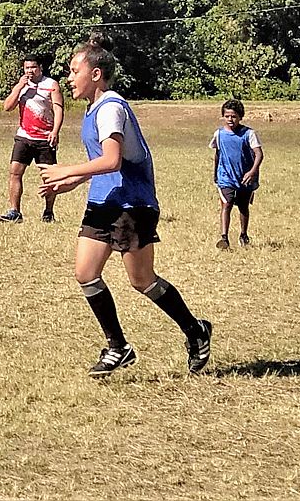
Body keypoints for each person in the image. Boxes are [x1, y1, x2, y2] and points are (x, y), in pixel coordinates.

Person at [40, 33, 213, 378]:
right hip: (104, 203)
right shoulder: (93, 110)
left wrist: (67, 169)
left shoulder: (111, 108)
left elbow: (113, 161)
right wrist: (71, 182)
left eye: (75, 71)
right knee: (86, 274)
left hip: (132, 206)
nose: (69, 78)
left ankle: (195, 331)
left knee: (142, 280)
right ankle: (117, 346)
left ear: (95, 74)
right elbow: (102, 166)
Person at [0, 56, 64, 223]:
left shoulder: (51, 85)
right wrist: (20, 87)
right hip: (24, 136)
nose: (30, 71)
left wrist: (55, 131)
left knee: (49, 178)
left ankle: (49, 211)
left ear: (40, 68)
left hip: (45, 138)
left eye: (33, 67)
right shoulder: (22, 87)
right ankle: (15, 211)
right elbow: (7, 107)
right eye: (27, 68)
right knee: (15, 171)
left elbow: (58, 109)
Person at [210, 98, 263, 249]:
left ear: (240, 117)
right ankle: (224, 238)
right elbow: (217, 154)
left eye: (233, 116)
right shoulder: (219, 134)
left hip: (245, 178)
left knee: (243, 207)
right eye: (227, 116)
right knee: (226, 204)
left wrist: (252, 172)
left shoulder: (249, 134)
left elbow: (259, 154)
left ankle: (243, 234)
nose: (230, 119)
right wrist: (215, 174)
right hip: (225, 177)